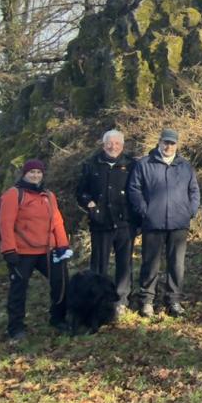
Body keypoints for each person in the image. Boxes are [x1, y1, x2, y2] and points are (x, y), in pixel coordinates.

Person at [128, 128, 199, 318]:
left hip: (179, 223)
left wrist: (190, 211)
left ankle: (173, 300)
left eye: (172, 143)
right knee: (150, 263)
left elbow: (194, 191)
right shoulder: (144, 164)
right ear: (159, 142)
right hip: (153, 223)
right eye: (166, 142)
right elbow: (134, 189)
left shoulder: (185, 166)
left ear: (177, 145)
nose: (168, 146)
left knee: (176, 264)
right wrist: (145, 211)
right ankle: (147, 301)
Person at [0, 159, 70, 339]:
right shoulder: (13, 194)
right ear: (24, 174)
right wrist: (9, 250)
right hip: (22, 252)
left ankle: (58, 318)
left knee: (61, 282)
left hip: (48, 250)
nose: (35, 175)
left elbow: (57, 221)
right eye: (32, 172)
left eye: (39, 172)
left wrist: (62, 246)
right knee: (19, 289)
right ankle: (16, 327)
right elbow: (5, 223)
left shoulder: (49, 195)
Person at [74, 129, 135, 312]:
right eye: (109, 143)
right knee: (99, 265)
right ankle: (98, 301)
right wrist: (89, 203)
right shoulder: (91, 164)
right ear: (103, 145)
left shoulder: (131, 165)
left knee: (124, 264)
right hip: (100, 223)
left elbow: (138, 190)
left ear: (122, 146)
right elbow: (80, 192)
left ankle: (121, 301)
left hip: (125, 223)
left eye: (117, 143)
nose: (113, 147)